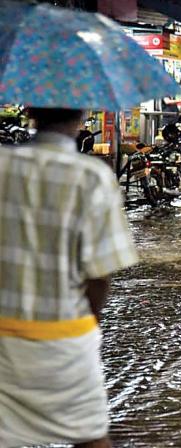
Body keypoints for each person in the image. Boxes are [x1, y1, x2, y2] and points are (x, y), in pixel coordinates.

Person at [0, 107, 138, 448]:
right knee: (90, 438)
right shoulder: (91, 177)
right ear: (83, 115)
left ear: (30, 111)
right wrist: (89, 324)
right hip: (64, 339)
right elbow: (100, 275)